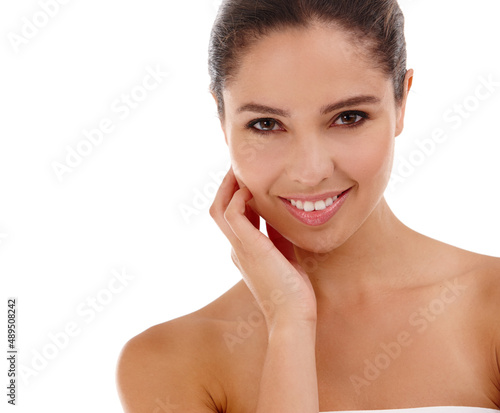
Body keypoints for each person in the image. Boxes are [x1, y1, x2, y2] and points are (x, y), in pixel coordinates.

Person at [116, 0, 500, 411]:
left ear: (401, 102)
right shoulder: (167, 362)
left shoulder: (490, 307)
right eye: (266, 124)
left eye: (349, 117)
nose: (310, 170)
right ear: (221, 119)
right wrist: (289, 324)